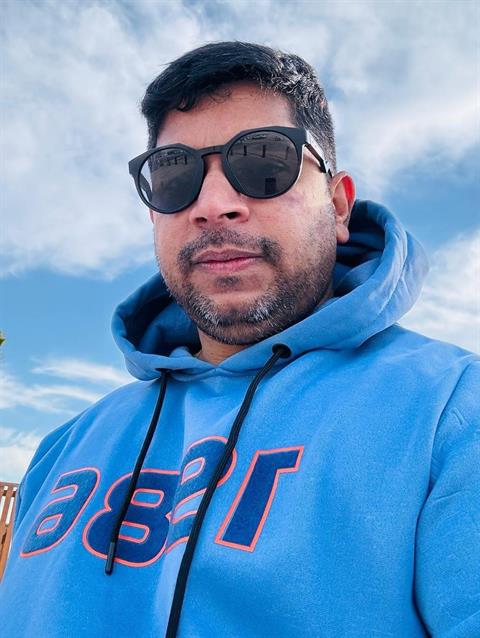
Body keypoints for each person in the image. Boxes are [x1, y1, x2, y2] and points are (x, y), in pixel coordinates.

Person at [0, 41, 478, 638]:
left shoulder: (452, 414)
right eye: (175, 175)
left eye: (264, 164)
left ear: (336, 205)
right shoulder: (61, 448)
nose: (214, 205)